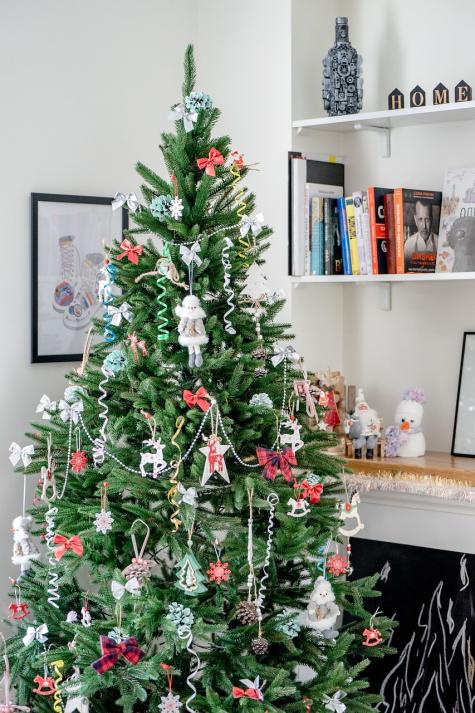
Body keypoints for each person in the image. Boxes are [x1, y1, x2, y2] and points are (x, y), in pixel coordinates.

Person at [404, 199, 438, 269]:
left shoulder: (439, 243)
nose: (424, 226)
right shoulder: (408, 244)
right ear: (415, 220)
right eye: (420, 219)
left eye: (427, 220)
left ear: (431, 219)